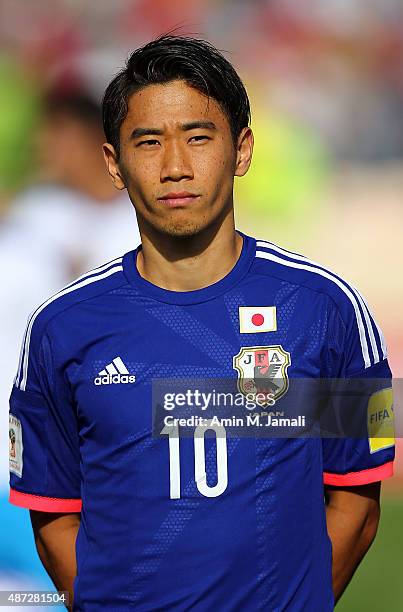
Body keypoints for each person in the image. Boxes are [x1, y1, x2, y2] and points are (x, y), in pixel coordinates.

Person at [8, 35, 394, 611]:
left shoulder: (328, 309)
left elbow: (357, 503)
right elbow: (55, 516)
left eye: (198, 137)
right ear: (114, 162)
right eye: (148, 142)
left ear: (241, 150)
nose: (175, 167)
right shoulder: (59, 328)